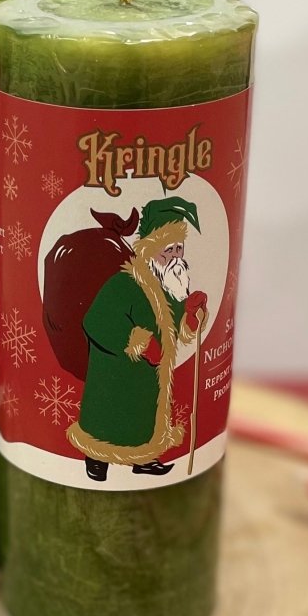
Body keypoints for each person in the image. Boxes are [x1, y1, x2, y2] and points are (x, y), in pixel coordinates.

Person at [66, 197, 207, 483]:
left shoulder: (172, 288)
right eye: (169, 250)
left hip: (149, 376)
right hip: (117, 369)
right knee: (108, 416)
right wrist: (138, 341)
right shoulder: (124, 284)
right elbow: (96, 322)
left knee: (145, 416)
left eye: (179, 249)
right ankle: (96, 459)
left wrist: (192, 315)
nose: (176, 257)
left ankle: (145, 458)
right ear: (151, 251)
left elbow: (181, 330)